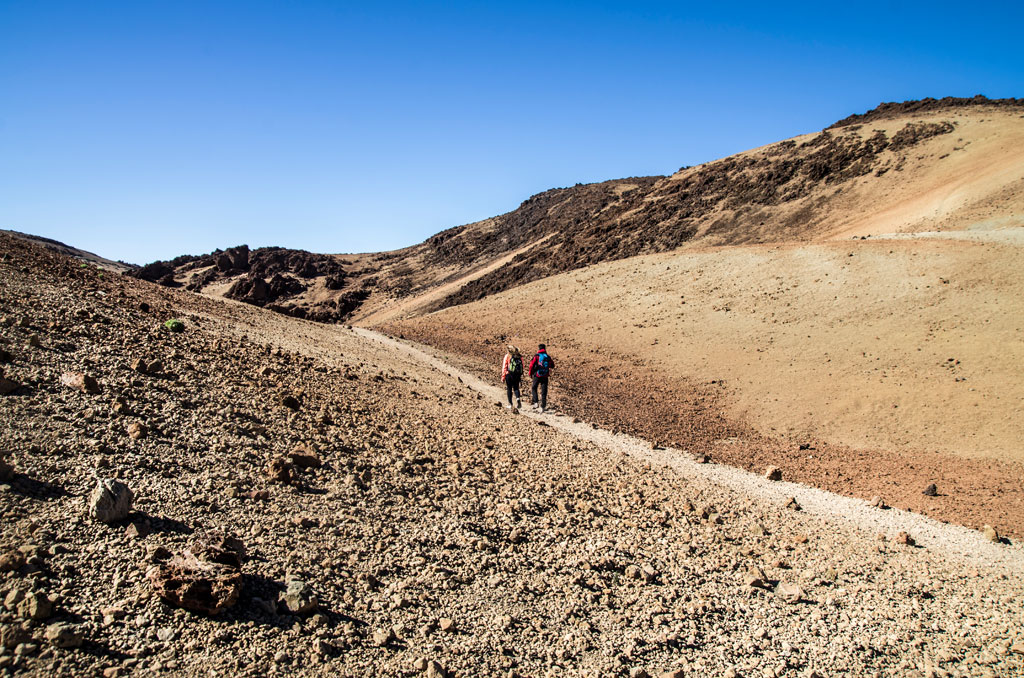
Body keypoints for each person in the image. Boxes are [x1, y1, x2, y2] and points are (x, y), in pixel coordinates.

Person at [528, 343, 554, 413]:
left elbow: (531, 365)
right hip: (545, 376)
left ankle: (536, 402)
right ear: (545, 349)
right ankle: (543, 406)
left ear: (539, 348)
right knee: (544, 391)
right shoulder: (547, 357)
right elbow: (552, 365)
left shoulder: (537, 356)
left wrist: (530, 373)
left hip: (537, 375)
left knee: (534, 388)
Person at [501, 345, 523, 410]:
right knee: (516, 388)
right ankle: (518, 399)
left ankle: (510, 404)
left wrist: (503, 376)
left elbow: (504, 367)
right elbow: (522, 366)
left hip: (509, 374)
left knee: (509, 389)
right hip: (517, 375)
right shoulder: (519, 356)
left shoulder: (507, 356)